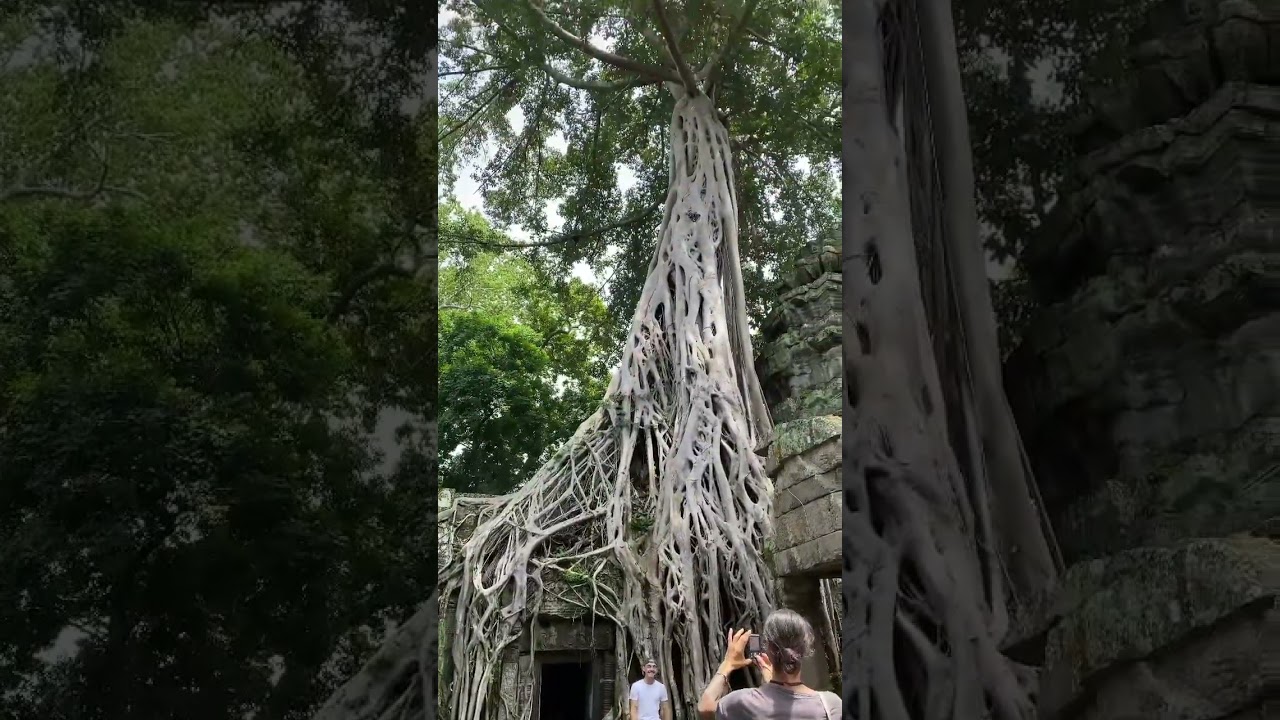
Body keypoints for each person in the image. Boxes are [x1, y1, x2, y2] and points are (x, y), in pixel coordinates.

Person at [696, 609, 841, 720]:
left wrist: (728, 663)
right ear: (805, 648)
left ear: (769, 648)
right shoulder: (831, 705)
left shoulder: (743, 703)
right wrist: (772, 682)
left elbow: (705, 707)